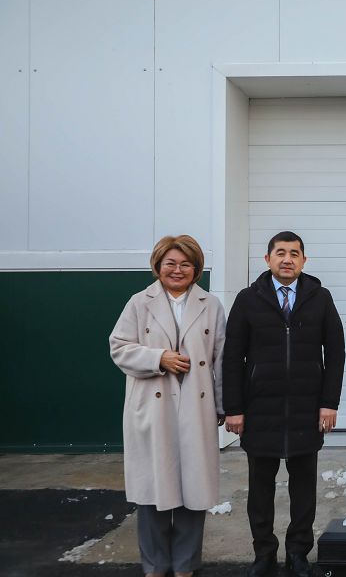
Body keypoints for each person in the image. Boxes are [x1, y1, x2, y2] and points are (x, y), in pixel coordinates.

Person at [223, 230, 345, 577]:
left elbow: (336, 352)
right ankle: (264, 554)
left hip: (307, 410)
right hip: (260, 410)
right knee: (260, 490)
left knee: (303, 489)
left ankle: (297, 554)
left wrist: (329, 403)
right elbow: (232, 357)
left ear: (304, 260)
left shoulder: (320, 298)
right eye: (280, 253)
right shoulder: (248, 299)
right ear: (267, 259)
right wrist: (234, 408)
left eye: (294, 253)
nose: (287, 259)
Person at [109, 235, 226, 577]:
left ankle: (185, 565)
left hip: (196, 408)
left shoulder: (211, 304)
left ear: (196, 269)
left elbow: (221, 358)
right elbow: (119, 347)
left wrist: (222, 406)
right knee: (153, 490)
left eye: (186, 264)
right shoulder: (138, 302)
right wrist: (158, 358)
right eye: (170, 263)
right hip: (152, 408)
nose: (177, 270)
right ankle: (156, 566)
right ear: (158, 266)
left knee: (194, 490)